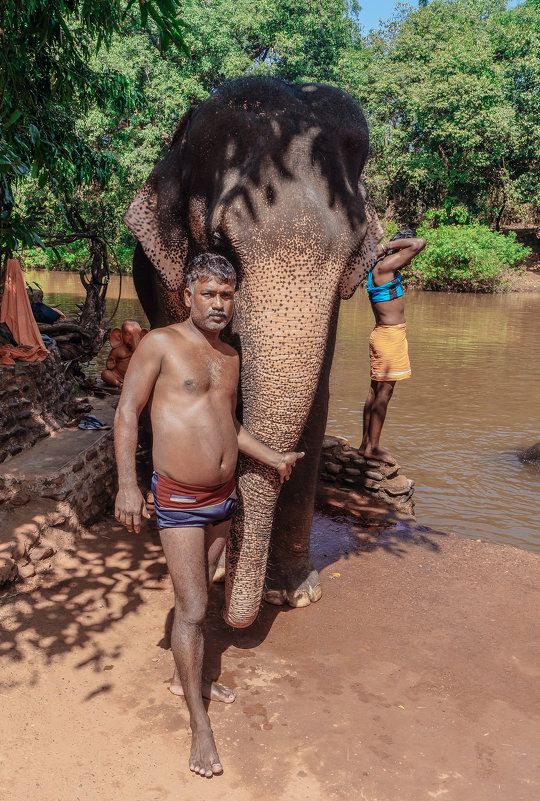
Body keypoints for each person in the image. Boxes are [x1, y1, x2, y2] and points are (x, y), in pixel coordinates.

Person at [114, 252, 304, 779]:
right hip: (177, 496)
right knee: (195, 606)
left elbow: (228, 423)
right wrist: (128, 485)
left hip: (222, 496)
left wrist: (272, 456)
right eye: (209, 294)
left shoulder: (229, 355)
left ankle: (187, 678)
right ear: (188, 296)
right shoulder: (161, 344)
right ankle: (199, 723)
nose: (219, 304)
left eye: (226, 295)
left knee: (201, 593)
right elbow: (127, 411)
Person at [359, 228, 426, 465]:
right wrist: (389, 245)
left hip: (387, 336)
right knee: (384, 394)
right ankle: (373, 448)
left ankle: (365, 445)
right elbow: (419, 243)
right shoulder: (384, 267)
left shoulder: (381, 266)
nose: (409, 260)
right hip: (389, 337)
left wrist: (388, 248)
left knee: (375, 392)